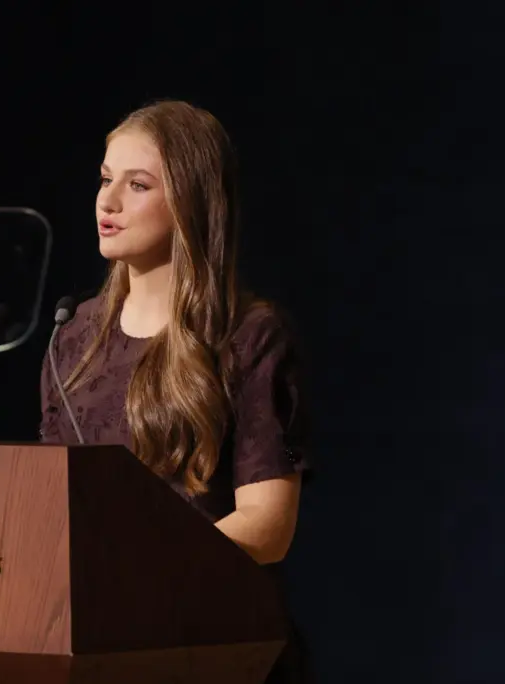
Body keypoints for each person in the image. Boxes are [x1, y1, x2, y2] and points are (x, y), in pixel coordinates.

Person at [39, 100, 312, 682]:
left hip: (216, 643)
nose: (106, 202)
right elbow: (48, 509)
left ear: (190, 199)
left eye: (136, 185)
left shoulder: (247, 337)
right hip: (99, 647)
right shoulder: (75, 336)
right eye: (105, 179)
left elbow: (267, 528)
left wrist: (141, 571)